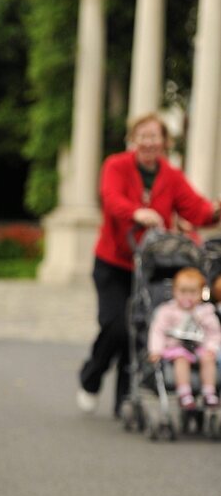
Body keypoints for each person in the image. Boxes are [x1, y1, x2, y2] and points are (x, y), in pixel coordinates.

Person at [77, 113, 221, 417]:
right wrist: (138, 213)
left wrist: (214, 211)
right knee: (116, 325)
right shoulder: (116, 165)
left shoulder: (171, 174)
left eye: (155, 136)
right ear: (133, 139)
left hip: (151, 267)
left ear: (164, 142)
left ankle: (124, 401)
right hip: (114, 261)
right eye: (143, 135)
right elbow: (111, 199)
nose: (149, 142)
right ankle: (92, 373)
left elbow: (195, 209)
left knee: (140, 326)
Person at [148, 267, 220, 409]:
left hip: (199, 347)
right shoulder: (167, 311)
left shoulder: (205, 312)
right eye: (183, 292)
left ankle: (209, 392)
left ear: (201, 293)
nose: (188, 297)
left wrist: (212, 347)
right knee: (181, 359)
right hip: (175, 348)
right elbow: (157, 331)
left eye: (193, 293)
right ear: (174, 292)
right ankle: (184, 393)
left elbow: (215, 333)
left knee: (208, 358)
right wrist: (156, 350)